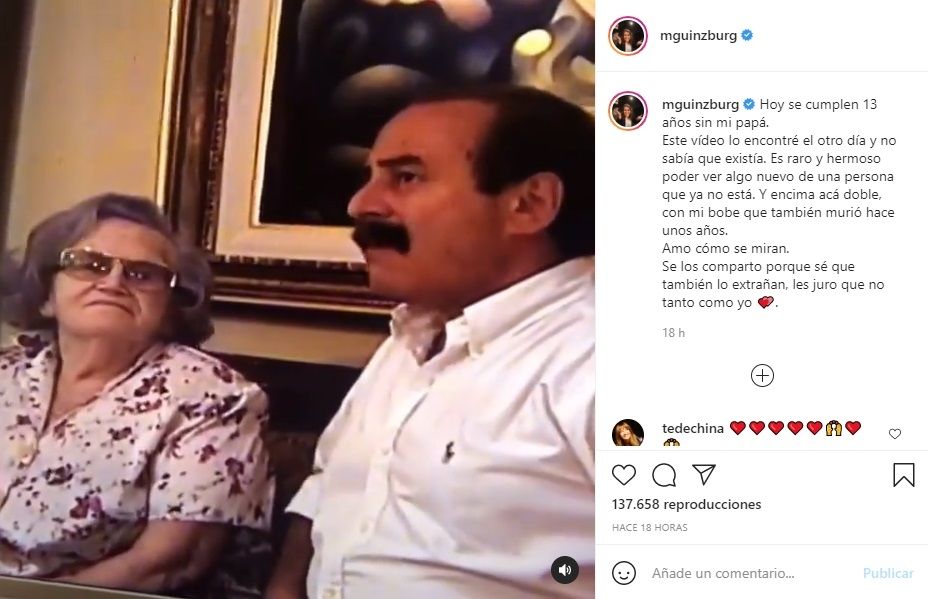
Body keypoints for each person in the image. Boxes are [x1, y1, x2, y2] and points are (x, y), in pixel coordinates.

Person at [265, 85, 593, 599]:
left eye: (406, 177)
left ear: (529, 204)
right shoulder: (412, 335)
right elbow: (328, 488)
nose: (360, 204)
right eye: (370, 178)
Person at [0, 193, 274, 592]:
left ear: (171, 307)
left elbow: (168, 564)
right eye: (89, 264)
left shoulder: (214, 398)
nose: (113, 282)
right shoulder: (9, 368)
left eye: (142, 274)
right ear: (46, 296)